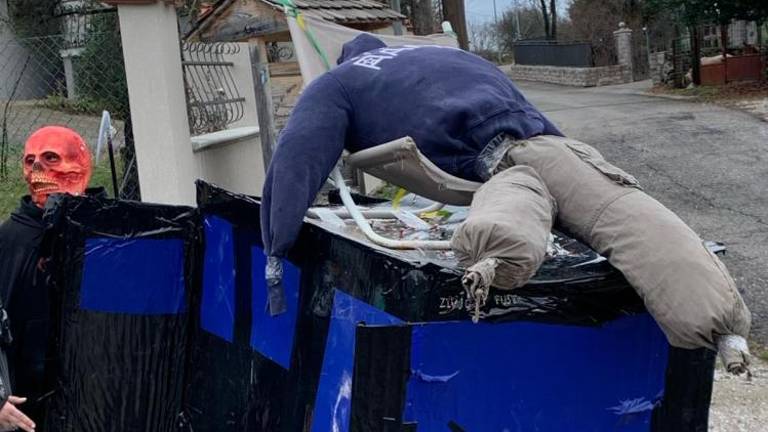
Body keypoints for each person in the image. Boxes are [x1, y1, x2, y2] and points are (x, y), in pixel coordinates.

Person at [260, 34, 751, 369]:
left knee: (511, 209)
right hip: (553, 148)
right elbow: (524, 107)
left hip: (498, 171)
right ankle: (725, 332)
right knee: (626, 215)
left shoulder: (338, 83)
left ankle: (493, 263)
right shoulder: (444, 56)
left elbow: (297, 157)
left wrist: (276, 248)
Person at [0, 126, 93, 428]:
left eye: (50, 158)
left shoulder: (110, 231)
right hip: (29, 405)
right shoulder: (10, 240)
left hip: (100, 399)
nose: (36, 169)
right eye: (29, 161)